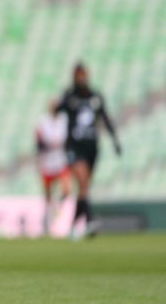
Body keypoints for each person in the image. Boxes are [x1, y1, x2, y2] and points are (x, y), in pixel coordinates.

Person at [56, 63, 122, 239]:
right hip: (74, 147)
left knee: (84, 189)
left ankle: (73, 226)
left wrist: (115, 139)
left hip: (92, 147)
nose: (81, 79)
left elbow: (105, 118)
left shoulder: (95, 97)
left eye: (83, 75)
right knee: (83, 182)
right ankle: (90, 220)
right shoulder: (70, 96)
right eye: (79, 76)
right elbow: (56, 109)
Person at [35, 98, 70, 236]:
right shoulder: (42, 121)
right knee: (48, 192)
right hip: (47, 161)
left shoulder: (64, 120)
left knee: (66, 188)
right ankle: (51, 213)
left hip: (61, 160)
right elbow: (38, 142)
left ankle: (60, 207)